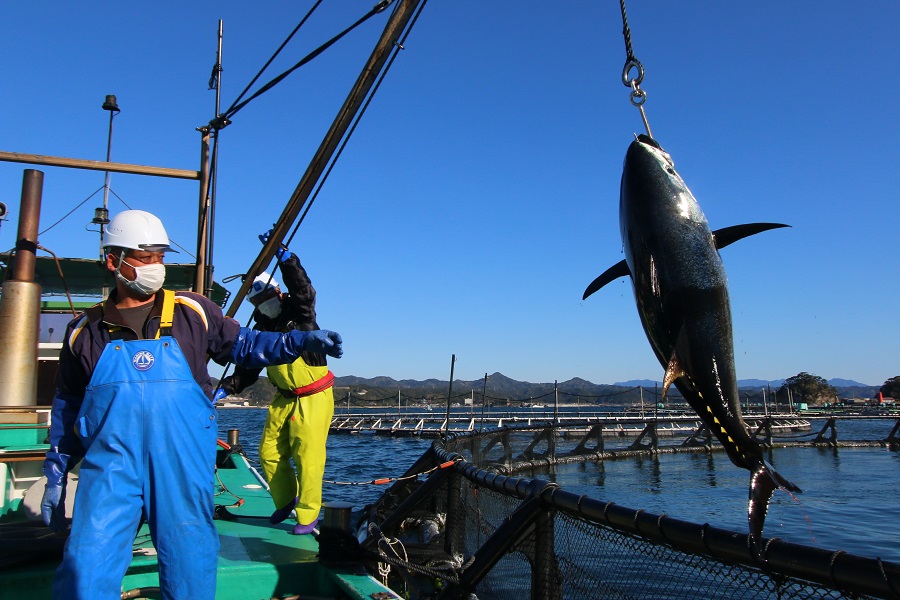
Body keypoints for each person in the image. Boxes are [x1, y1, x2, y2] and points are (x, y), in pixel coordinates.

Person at [40, 210, 343, 600]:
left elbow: (245, 346)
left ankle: (302, 509)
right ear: (114, 261)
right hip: (111, 470)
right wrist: (57, 464)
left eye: (160, 256)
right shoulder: (83, 331)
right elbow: (69, 401)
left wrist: (297, 342)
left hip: (183, 465)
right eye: (145, 257)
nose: (156, 266)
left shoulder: (193, 310)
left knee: (189, 562)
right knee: (85, 565)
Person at [216, 231, 334, 535]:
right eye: (257, 300)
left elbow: (303, 289)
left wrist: (287, 259)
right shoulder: (262, 326)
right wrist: (228, 386)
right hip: (284, 397)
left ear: (277, 293)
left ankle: (309, 514)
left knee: (308, 455)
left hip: (313, 395)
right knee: (268, 451)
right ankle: (285, 500)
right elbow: (250, 364)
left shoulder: (300, 313)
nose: (262, 303)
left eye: (265, 296)